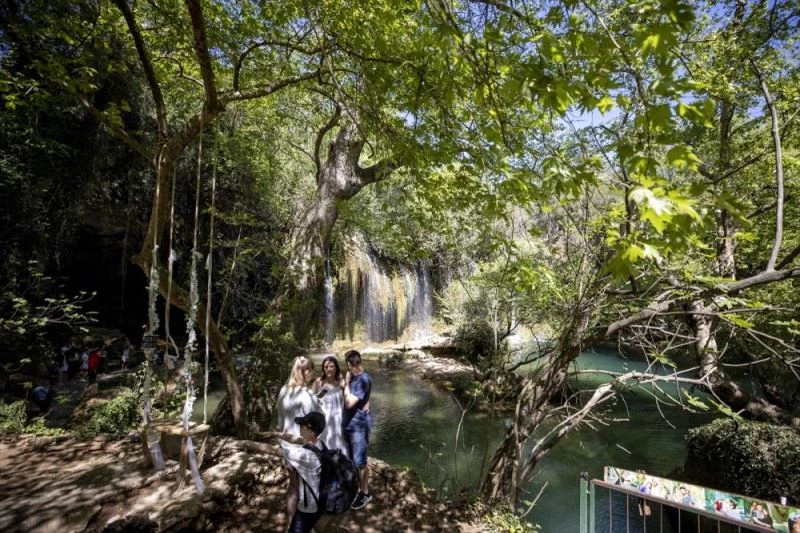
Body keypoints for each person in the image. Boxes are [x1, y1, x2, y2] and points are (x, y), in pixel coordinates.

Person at [276, 356, 322, 522]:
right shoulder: (307, 395)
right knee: (309, 490)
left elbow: (280, 423)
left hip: (287, 447)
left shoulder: (284, 390)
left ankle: (291, 522)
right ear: (302, 371)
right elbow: (318, 423)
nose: (311, 372)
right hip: (303, 449)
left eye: (311, 369)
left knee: (293, 486)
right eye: (309, 369)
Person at [343, 349, 373, 510]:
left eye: (346, 365)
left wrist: (346, 383)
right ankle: (357, 487)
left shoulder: (363, 379)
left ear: (349, 364)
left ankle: (365, 493)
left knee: (361, 462)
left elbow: (349, 403)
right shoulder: (356, 378)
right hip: (350, 425)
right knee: (353, 460)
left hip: (358, 427)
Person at [312, 355, 348, 456]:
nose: (329, 369)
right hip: (322, 418)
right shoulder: (318, 382)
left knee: (338, 443)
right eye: (326, 367)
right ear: (323, 369)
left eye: (331, 366)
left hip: (337, 418)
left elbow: (348, 399)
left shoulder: (341, 382)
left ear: (336, 368)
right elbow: (310, 400)